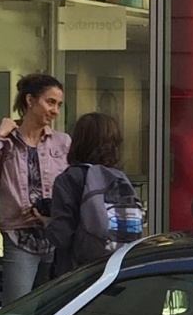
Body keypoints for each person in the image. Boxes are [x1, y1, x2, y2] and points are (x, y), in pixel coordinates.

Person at [0, 72, 67, 302]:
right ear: (30, 101)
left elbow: (71, 185)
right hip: (19, 235)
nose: (55, 111)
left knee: (53, 310)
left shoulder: (62, 142)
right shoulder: (6, 141)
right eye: (50, 102)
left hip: (54, 234)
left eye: (59, 104)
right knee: (17, 309)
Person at [45, 111, 142, 276]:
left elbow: (61, 236)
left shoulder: (69, 178)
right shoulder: (119, 178)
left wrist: (45, 222)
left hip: (76, 271)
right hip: (115, 268)